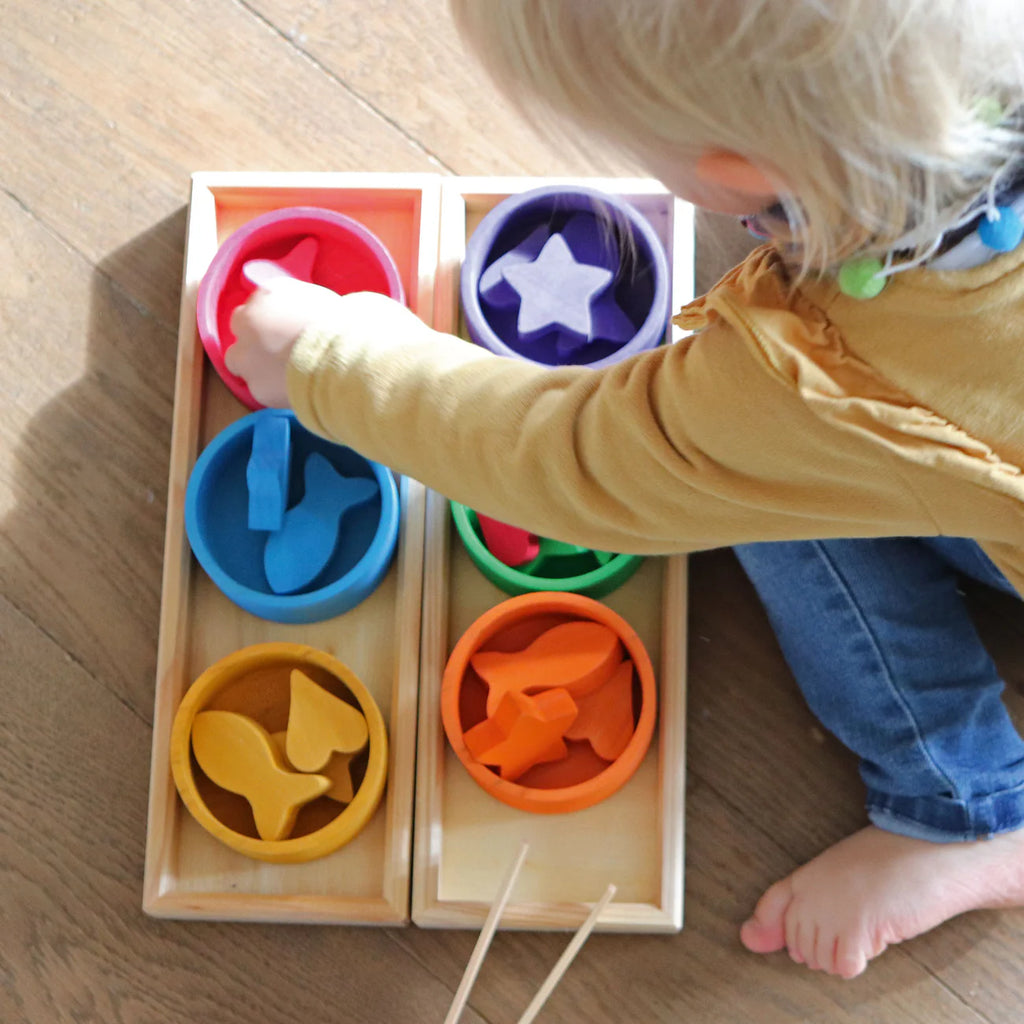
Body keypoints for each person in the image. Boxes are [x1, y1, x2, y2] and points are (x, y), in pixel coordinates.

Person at [224, 0, 1024, 978]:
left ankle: (958, 805)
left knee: (747, 472)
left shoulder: (816, 383)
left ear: (737, 171)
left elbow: (578, 463)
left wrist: (327, 362)